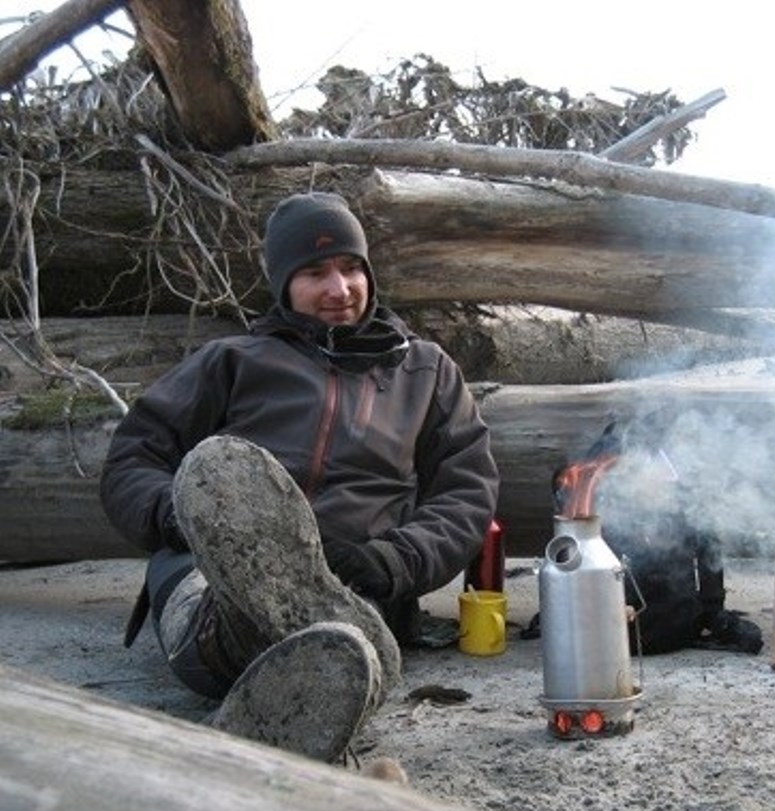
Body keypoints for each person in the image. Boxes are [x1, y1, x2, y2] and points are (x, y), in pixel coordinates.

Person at [100, 191, 500, 762]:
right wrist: (186, 514)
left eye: (351, 268)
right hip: (208, 576)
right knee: (235, 610)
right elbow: (131, 460)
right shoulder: (232, 360)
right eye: (315, 273)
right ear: (284, 284)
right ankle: (279, 646)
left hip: (353, 585)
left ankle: (318, 658)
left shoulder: (425, 370)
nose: (339, 289)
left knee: (344, 636)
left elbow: (466, 489)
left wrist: (394, 559)